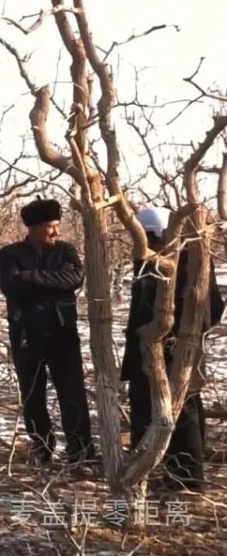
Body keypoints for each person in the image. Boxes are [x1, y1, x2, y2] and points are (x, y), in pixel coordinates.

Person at [121, 206, 224, 492]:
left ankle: (187, 479)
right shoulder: (155, 260)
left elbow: (212, 308)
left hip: (173, 350)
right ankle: (163, 472)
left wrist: (179, 335)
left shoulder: (188, 261)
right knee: (164, 407)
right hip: (156, 349)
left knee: (182, 410)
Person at [0, 198, 94, 467]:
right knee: (33, 395)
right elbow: (11, 286)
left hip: (62, 332)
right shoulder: (10, 254)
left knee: (72, 392)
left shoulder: (65, 250)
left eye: (57, 225)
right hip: (26, 334)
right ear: (34, 227)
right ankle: (42, 449)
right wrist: (52, 281)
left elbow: (74, 279)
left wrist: (31, 276)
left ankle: (80, 452)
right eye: (50, 226)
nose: (56, 231)